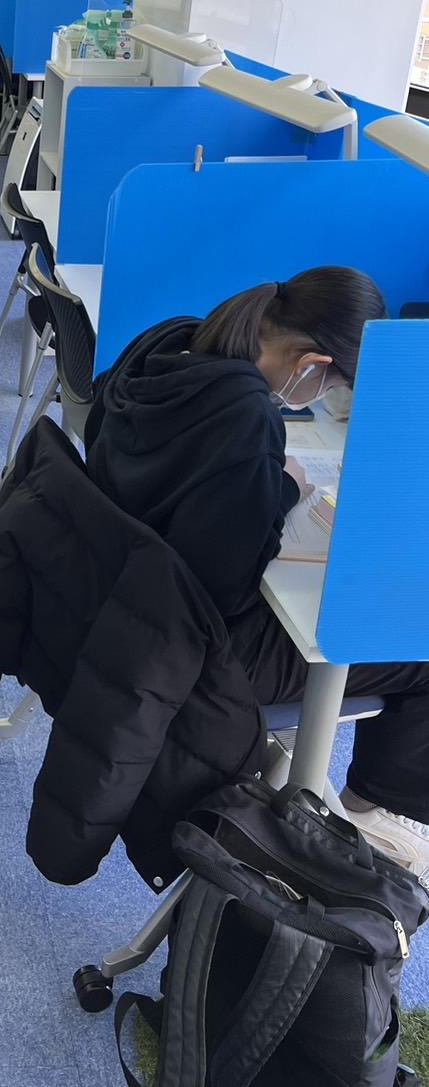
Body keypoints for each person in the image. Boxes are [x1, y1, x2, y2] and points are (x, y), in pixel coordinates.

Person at [84, 266, 429, 882]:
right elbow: (230, 586)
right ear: (311, 363)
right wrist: (282, 489)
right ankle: (369, 810)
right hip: (198, 650)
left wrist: (259, 481)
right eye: (332, 387)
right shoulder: (244, 417)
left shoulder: (169, 340)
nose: (323, 399)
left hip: (117, 595)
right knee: (417, 648)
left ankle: (368, 806)